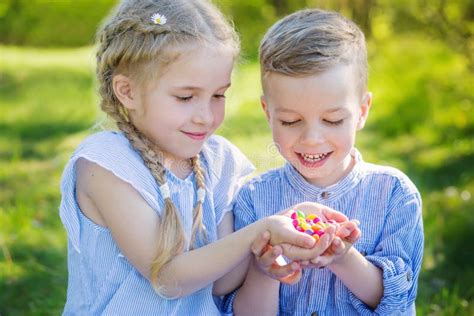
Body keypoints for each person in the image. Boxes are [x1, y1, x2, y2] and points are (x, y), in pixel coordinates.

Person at [58, 1, 348, 315]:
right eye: (185, 97)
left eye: (218, 95)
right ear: (127, 91)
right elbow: (167, 279)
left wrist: (278, 233)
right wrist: (259, 230)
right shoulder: (106, 165)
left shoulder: (219, 161)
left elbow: (222, 282)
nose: (205, 116)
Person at [227, 8, 424, 315]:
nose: (312, 139)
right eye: (291, 121)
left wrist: (343, 258)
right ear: (268, 113)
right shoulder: (253, 200)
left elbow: (396, 303)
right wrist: (266, 271)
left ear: (361, 111)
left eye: (332, 120)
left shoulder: (394, 194)